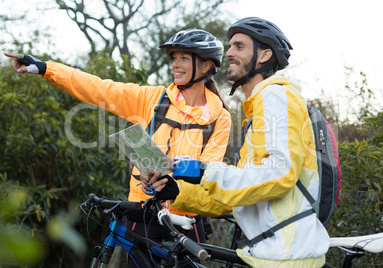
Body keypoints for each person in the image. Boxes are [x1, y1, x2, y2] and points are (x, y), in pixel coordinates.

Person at [4, 29, 231, 267]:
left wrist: (173, 186)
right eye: (174, 57)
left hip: (186, 218)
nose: (175, 64)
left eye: (184, 58)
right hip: (142, 211)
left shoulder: (220, 118)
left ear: (206, 67)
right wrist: (46, 69)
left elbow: (209, 171)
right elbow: (100, 88)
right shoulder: (152, 98)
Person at [147, 17, 330, 267]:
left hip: (285, 257)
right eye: (230, 46)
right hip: (270, 253)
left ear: (265, 55)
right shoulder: (258, 109)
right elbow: (243, 194)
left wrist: (205, 171)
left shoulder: (275, 95)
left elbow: (280, 174)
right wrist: (180, 192)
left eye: (239, 46)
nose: (229, 52)